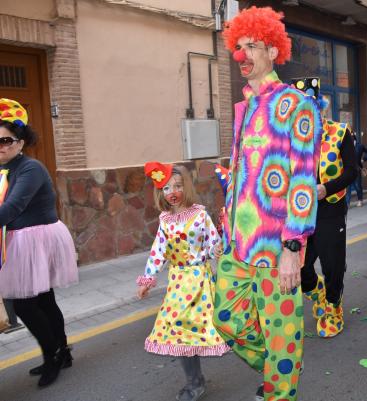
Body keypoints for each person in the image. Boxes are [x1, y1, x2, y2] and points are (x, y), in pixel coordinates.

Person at [212, 7, 322, 401]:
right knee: (224, 318)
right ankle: (280, 366)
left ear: (273, 51)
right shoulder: (244, 108)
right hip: (238, 243)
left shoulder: (297, 106)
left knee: (282, 332)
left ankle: (281, 384)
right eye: (238, 47)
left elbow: (303, 181)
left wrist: (293, 248)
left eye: (252, 47)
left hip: (277, 247)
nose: (241, 55)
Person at [0, 98, 78, 387]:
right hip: (18, 240)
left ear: (21, 141)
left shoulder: (30, 169)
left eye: (6, 140)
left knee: (24, 305)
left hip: (37, 239)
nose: (1, 146)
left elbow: (12, 208)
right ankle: (62, 351)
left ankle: (53, 356)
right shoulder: (2, 169)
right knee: (43, 300)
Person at [137, 162, 228, 401]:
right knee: (179, 330)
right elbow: (159, 251)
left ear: (186, 187)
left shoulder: (199, 214)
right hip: (178, 283)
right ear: (161, 193)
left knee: (218, 326)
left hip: (200, 280)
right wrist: (148, 278)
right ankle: (194, 382)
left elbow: (214, 242)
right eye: (166, 188)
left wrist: (218, 251)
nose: (172, 192)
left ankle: (260, 359)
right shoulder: (165, 220)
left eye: (177, 186)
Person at [289, 76, 357, 338]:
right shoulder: (289, 139)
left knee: (332, 264)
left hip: (330, 209)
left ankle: (333, 308)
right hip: (300, 213)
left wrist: (326, 188)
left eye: (310, 107)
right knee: (302, 267)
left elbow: (352, 171)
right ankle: (316, 293)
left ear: (320, 107)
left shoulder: (340, 132)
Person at [346, 131, 367, 207]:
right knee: (347, 187)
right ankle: (347, 203)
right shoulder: (345, 146)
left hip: (357, 168)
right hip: (347, 169)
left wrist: (364, 159)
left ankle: (360, 200)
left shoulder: (359, 146)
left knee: (357, 185)